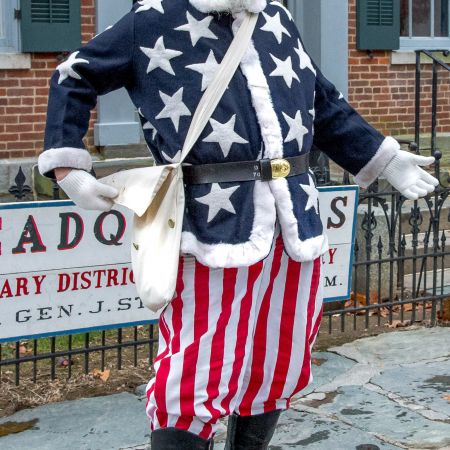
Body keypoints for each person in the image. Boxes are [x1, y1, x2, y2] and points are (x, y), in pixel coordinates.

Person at [38, 1, 439, 448]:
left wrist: (385, 158)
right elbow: (75, 74)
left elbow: (319, 101)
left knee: (277, 362)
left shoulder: (276, 17)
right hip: (209, 224)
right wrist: (67, 166)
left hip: (294, 221)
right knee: (196, 371)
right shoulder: (152, 18)